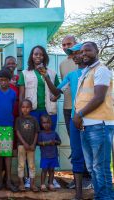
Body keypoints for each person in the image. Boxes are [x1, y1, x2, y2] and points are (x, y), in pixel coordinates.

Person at [39, 43, 89, 198]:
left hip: (93, 121)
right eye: (71, 54)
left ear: (84, 53)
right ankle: (78, 194)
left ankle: (100, 189)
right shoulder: (71, 76)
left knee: (95, 155)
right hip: (76, 119)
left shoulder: (94, 72)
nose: (73, 56)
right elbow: (56, 91)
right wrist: (46, 76)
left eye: (76, 52)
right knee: (77, 154)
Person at [73, 42, 114, 199]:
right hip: (87, 126)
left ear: (97, 51)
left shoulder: (101, 70)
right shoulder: (87, 72)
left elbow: (99, 97)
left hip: (100, 126)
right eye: (82, 51)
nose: (84, 53)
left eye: (88, 50)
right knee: (92, 167)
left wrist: (79, 114)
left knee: (100, 167)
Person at [0, 69, 18, 192]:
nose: (3, 82)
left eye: (5, 80)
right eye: (0, 80)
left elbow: (12, 108)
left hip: (8, 126)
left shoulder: (12, 93)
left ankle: (8, 181)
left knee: (8, 154)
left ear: (9, 80)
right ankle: (0, 181)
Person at [18, 45, 60, 131]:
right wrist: (21, 112)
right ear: (32, 56)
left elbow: (57, 93)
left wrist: (45, 76)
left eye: (41, 54)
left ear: (44, 57)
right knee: (32, 136)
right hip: (31, 111)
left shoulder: (52, 73)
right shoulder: (24, 73)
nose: (38, 56)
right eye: (36, 54)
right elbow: (21, 94)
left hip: (49, 111)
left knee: (48, 137)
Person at [15, 99, 39, 192]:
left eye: (27, 107)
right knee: (21, 165)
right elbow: (17, 132)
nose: (25, 109)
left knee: (31, 165)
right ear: (21, 108)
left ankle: (32, 184)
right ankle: (21, 183)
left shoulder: (34, 120)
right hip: (21, 145)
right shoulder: (19, 119)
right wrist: (24, 143)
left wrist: (33, 144)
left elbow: (36, 132)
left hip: (31, 147)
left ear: (31, 108)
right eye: (23, 107)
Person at [38, 114, 61, 192]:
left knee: (52, 170)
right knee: (44, 170)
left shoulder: (54, 133)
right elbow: (38, 143)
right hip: (45, 156)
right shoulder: (41, 133)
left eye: (48, 123)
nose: (46, 124)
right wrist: (46, 143)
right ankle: (42, 184)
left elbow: (59, 142)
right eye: (44, 123)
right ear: (41, 124)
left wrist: (55, 142)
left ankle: (50, 183)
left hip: (53, 156)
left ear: (51, 123)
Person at [59, 35, 78, 136]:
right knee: (72, 138)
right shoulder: (62, 64)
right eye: (63, 45)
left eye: (69, 44)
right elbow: (64, 86)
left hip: (81, 107)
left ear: (75, 44)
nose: (66, 47)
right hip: (67, 107)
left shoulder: (82, 61)